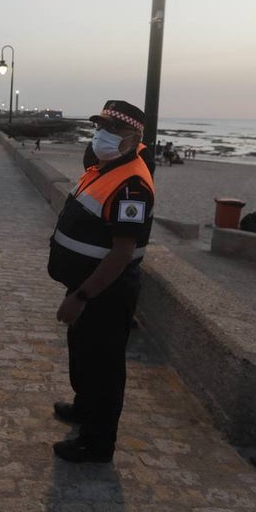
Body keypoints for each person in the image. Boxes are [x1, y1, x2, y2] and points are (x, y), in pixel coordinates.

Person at [46, 100, 154, 463]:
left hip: (105, 292)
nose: (101, 136)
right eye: (99, 128)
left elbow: (123, 253)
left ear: (133, 138)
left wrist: (81, 295)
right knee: (83, 353)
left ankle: (97, 442)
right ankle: (83, 407)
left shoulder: (132, 186)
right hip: (87, 287)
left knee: (104, 366)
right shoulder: (104, 168)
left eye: (111, 130)